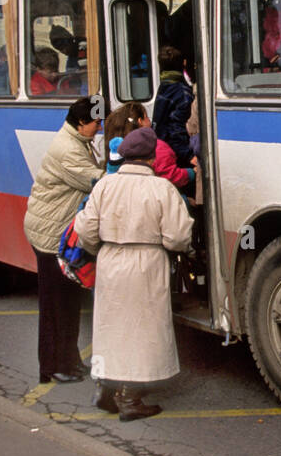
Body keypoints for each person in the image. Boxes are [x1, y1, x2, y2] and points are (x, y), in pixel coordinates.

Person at [75, 127, 193, 421]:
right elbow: (178, 237)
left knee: (112, 327)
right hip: (147, 262)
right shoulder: (162, 189)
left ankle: (105, 387)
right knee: (141, 331)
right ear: (152, 158)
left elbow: (85, 229)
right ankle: (130, 399)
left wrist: (100, 247)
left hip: (111, 259)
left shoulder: (105, 185)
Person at [23, 97, 104, 384]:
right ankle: (53, 366)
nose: (99, 127)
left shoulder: (77, 140)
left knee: (68, 302)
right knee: (56, 306)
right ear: (82, 122)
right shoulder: (68, 149)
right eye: (97, 122)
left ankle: (68, 361)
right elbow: (96, 180)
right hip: (49, 234)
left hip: (58, 231)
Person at [152, 45, 194, 162]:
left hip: (161, 150)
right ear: (184, 64)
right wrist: (189, 156)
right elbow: (177, 130)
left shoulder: (164, 86)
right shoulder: (183, 93)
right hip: (178, 155)